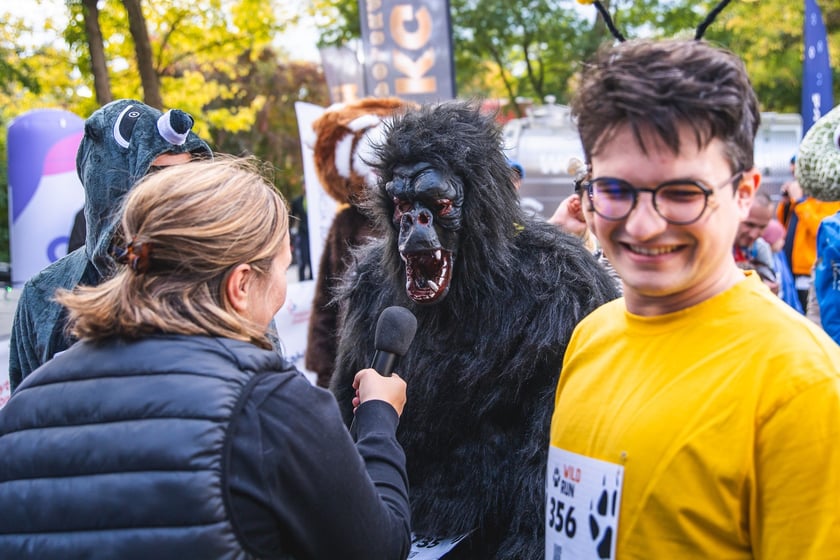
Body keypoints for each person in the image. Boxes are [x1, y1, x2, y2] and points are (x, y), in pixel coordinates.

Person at [0, 157, 411, 559]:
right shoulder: (268, 404)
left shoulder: (25, 406)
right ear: (241, 284)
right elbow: (379, 546)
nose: (282, 295)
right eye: (281, 270)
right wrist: (378, 418)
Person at [546, 37, 840, 559]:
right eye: (615, 189)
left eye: (682, 194)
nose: (642, 223)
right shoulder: (590, 335)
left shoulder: (805, 388)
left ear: (744, 193)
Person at [9, 99, 212, 391]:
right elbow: (25, 419)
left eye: (187, 177)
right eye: (157, 175)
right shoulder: (44, 294)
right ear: (110, 184)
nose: (176, 194)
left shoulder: (218, 275)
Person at [733, 190, 778, 294]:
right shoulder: (717, 247)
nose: (753, 234)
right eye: (749, 225)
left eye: (762, 227)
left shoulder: (760, 248)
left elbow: (771, 282)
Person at [761, 218, 802, 312]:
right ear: (770, 239)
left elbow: (788, 284)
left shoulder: (779, 257)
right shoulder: (762, 260)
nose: (783, 243)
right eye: (779, 239)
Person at [290, 189, 312, 281]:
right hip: (302, 234)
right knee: (302, 259)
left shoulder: (314, 200)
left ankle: (311, 278)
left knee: (311, 259)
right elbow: (292, 216)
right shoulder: (298, 201)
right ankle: (302, 280)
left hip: (311, 234)